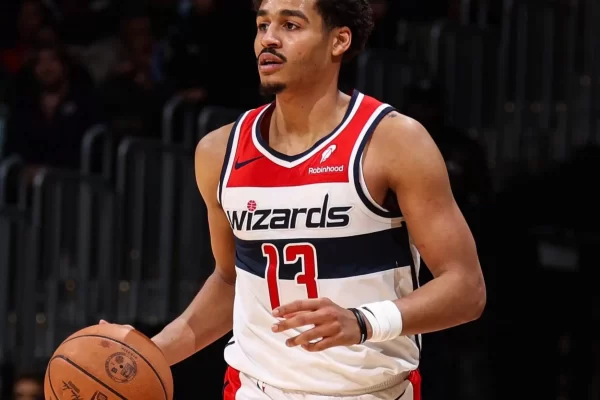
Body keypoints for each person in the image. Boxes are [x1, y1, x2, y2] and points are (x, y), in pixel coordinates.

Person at [104, 0, 486, 399]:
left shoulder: (393, 141)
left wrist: (363, 321)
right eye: (262, 25)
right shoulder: (219, 152)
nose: (268, 39)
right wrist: (146, 354)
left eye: (290, 25)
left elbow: (466, 288)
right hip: (254, 389)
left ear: (339, 40)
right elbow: (230, 280)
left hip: (370, 391)